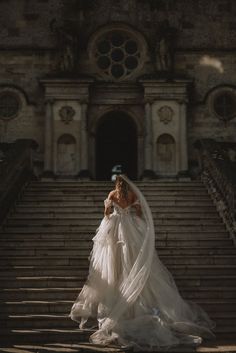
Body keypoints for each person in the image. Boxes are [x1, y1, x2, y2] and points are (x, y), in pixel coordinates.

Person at [70, 175, 215, 350]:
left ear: (117, 183)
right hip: (129, 228)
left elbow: (107, 214)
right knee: (131, 257)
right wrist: (134, 219)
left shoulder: (112, 194)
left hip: (116, 228)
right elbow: (138, 213)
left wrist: (110, 211)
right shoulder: (132, 195)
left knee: (114, 259)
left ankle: (118, 288)